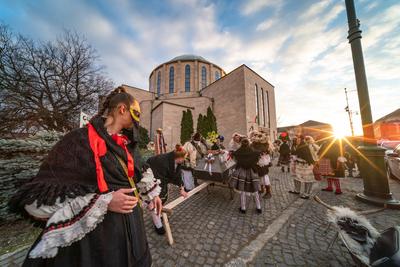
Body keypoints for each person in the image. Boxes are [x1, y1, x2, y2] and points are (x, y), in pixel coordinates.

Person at [9, 87, 161, 266]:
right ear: (122, 109)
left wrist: (153, 195)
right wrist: (104, 202)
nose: (137, 121)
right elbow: (36, 203)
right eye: (136, 113)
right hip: (98, 239)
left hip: (133, 230)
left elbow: (139, 171)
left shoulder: (127, 144)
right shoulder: (77, 140)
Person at [146, 144, 188, 234]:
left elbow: (178, 175)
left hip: (161, 181)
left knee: (163, 198)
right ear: (179, 157)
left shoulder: (178, 162)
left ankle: (159, 213)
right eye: (184, 158)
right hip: (151, 179)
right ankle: (158, 225)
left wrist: (182, 188)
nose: (184, 160)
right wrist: (155, 193)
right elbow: (158, 178)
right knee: (154, 202)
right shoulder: (162, 162)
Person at [230, 138, 262, 214]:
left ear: (241, 144)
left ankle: (243, 208)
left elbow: (234, 156)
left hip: (242, 171)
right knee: (255, 189)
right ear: (248, 143)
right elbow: (258, 157)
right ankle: (259, 207)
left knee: (242, 190)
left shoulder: (239, 152)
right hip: (252, 171)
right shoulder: (253, 151)